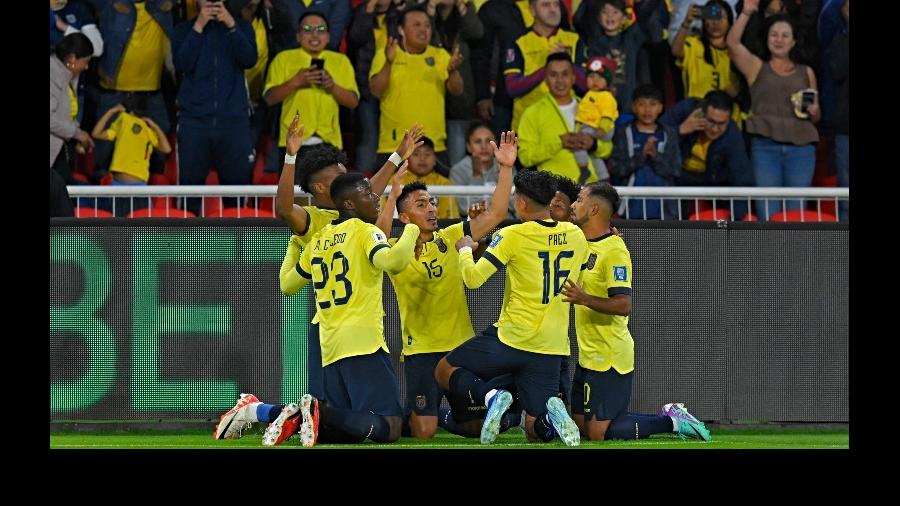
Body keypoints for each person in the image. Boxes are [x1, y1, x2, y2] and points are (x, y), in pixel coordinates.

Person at [212, 117, 424, 440]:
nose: (353, 179)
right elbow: (284, 208)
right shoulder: (315, 221)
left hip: (334, 327)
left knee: (336, 421)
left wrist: (396, 157)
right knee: (330, 412)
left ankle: (256, 411)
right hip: (333, 326)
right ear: (323, 188)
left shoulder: (334, 226)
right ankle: (269, 411)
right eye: (340, 175)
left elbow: (366, 193)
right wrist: (290, 157)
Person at [258, 172, 423, 447]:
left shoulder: (319, 240)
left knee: (348, 430)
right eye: (368, 194)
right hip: (363, 342)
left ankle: (301, 417)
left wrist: (293, 244)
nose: (375, 199)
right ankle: (309, 411)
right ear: (349, 204)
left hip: (330, 346)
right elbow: (393, 261)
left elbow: (287, 285)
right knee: (392, 427)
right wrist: (412, 230)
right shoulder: (364, 231)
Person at [374, 130, 517, 439]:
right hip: (421, 352)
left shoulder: (453, 237)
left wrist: (505, 167)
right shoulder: (395, 250)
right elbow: (376, 234)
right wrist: (392, 192)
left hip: (459, 349)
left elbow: (496, 213)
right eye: (422, 204)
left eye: (433, 202)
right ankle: (420, 416)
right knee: (423, 432)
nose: (432, 209)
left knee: (474, 428)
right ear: (404, 214)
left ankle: (511, 414)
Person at [434, 168, 589, 446]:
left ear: (522, 202)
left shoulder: (513, 234)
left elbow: (473, 279)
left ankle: (490, 397)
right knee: (533, 430)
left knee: (444, 370)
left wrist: (466, 248)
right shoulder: (575, 235)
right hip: (550, 345)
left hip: (511, 338)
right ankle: (550, 419)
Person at [561, 182, 712, 442]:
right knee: (582, 430)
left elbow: (623, 304)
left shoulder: (615, 251)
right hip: (588, 355)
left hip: (610, 356)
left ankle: (672, 421)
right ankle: (658, 416)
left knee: (600, 434)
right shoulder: (581, 241)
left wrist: (584, 299)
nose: (574, 205)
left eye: (580, 199)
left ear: (594, 208)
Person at [727, 0, 820, 220]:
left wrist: (814, 111)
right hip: (765, 147)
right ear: (767, 38)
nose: (779, 40)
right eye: (774, 34)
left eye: (785, 35)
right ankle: (770, 256)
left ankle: (794, 256)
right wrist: (747, 13)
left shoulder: (807, 72)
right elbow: (732, 43)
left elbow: (816, 117)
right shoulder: (756, 67)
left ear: (794, 40)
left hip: (801, 150)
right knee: (767, 213)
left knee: (795, 214)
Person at [172, 0, 258, 214]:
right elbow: (182, 64)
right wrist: (198, 27)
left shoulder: (242, 27)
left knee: (236, 197)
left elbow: (249, 59)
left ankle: (240, 246)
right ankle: (186, 246)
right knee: (188, 196)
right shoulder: (183, 29)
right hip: (194, 121)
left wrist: (231, 25)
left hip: (234, 121)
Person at [370, 6, 464, 174]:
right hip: (394, 145)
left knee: (435, 200)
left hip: (433, 147)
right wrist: (389, 63)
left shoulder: (440, 54)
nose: (423, 30)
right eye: (417, 25)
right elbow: (376, 90)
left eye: (427, 25)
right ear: (401, 29)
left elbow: (457, 90)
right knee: (388, 199)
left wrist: (453, 71)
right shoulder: (387, 53)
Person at [264, 11, 359, 157]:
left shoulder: (341, 61)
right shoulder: (283, 58)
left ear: (328, 37)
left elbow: (353, 102)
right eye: (307, 29)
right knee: (292, 181)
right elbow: (269, 98)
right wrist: (296, 82)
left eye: (321, 30)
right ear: (298, 36)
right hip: (292, 141)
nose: (314, 35)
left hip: (329, 141)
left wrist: (332, 87)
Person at [660, 89, 752, 219]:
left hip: (713, 178)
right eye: (711, 121)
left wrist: (736, 221)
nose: (715, 129)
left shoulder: (732, 133)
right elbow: (655, 139)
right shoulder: (685, 110)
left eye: (721, 124)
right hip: (680, 174)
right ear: (702, 113)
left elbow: (742, 178)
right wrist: (680, 130)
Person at [517, 53, 601, 184]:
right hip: (553, 192)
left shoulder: (589, 108)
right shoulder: (532, 113)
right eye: (553, 75)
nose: (560, 80)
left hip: (590, 190)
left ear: (573, 78)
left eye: (565, 74)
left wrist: (593, 144)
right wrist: (559, 142)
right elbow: (525, 157)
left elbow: (608, 148)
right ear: (545, 79)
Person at [503, 0, 584, 132]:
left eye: (556, 4)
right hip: (528, 127)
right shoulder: (518, 41)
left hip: (567, 124)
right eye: (546, 5)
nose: (553, 10)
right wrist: (548, 68)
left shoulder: (574, 39)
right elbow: (512, 88)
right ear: (532, 10)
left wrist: (567, 64)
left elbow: (587, 85)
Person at [610, 83, 681, 219]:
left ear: (660, 108)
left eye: (653, 104)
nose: (647, 110)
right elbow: (617, 169)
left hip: (663, 211)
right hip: (630, 209)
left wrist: (655, 156)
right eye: (642, 104)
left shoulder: (669, 133)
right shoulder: (624, 132)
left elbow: (675, 171)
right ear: (634, 107)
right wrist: (641, 156)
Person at [90, 101, 173, 216]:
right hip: (116, 186)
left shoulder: (148, 129)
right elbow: (96, 133)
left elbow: (167, 149)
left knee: (139, 231)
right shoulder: (123, 121)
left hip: (139, 190)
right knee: (117, 231)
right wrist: (111, 112)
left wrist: (154, 126)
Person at [671, 0, 743, 125]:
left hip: (730, 120)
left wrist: (738, 90)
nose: (716, 22)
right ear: (704, 21)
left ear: (730, 22)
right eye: (711, 17)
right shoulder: (694, 44)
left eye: (722, 18)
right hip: (697, 117)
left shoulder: (737, 51)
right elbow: (676, 51)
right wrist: (686, 23)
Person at [50, 32, 95, 184]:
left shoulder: (69, 74)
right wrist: (77, 134)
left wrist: (79, 135)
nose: (87, 66)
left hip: (61, 149)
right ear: (71, 58)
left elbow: (68, 113)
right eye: (85, 61)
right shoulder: (52, 74)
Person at [574, 56, 618, 181]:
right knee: (594, 156)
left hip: (600, 127)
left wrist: (602, 129)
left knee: (579, 143)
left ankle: (583, 169)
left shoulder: (606, 96)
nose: (595, 81)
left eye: (600, 77)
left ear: (607, 81)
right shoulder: (590, 94)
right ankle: (603, 177)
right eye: (591, 77)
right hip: (591, 127)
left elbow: (607, 115)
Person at [449, 123, 504, 217]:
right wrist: (477, 175)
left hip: (505, 223)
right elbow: (465, 208)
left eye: (488, 141)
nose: (484, 146)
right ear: (469, 147)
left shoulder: (504, 166)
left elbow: (514, 207)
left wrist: (503, 175)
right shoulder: (458, 171)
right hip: (474, 226)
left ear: (496, 143)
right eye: (478, 141)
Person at [399, 137, 458, 218]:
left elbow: (451, 219)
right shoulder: (395, 181)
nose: (422, 159)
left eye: (427, 154)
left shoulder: (444, 183)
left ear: (435, 160)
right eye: (416, 154)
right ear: (407, 159)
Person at [828, 0, 848, 221]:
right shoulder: (841, 38)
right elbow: (837, 70)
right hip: (847, 128)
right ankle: (844, 251)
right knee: (847, 195)